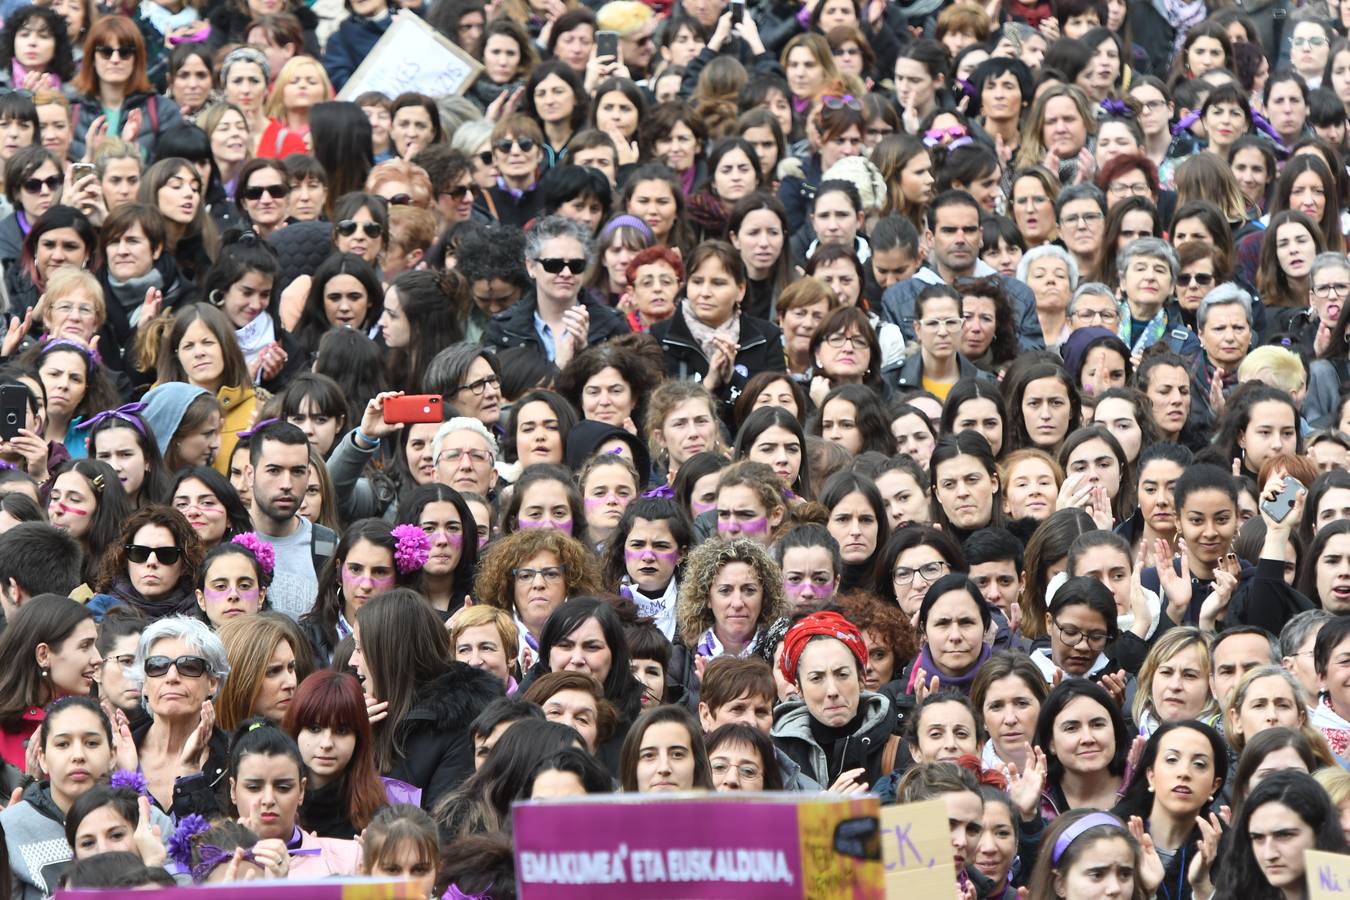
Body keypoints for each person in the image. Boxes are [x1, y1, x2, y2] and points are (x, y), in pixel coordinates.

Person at [352, 589, 502, 808]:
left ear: (390, 656)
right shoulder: (372, 720)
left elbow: (443, 830)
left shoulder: (462, 729)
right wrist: (354, 743)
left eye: (359, 648)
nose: (352, 660)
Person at [770, 610, 901, 793]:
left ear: (861, 679)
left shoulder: (898, 750)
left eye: (842, 675)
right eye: (817, 678)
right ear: (798, 688)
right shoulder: (775, 756)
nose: (832, 691)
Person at [245, 422, 336, 619]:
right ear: (249, 475)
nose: (286, 484)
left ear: (308, 475)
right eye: (274, 470)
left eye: (297, 472)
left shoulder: (326, 545)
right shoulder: (227, 538)